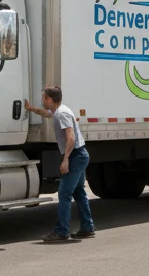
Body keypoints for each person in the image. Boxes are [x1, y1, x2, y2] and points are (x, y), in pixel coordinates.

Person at [24, 86, 95, 242]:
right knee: (79, 193)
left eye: (43, 98)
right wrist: (31, 109)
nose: (42, 100)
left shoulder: (62, 114)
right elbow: (46, 113)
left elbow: (71, 138)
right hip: (80, 154)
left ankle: (62, 231)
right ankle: (87, 228)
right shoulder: (58, 111)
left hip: (75, 155)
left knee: (64, 194)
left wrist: (65, 160)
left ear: (49, 99)